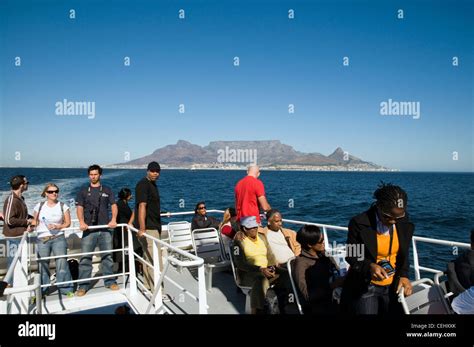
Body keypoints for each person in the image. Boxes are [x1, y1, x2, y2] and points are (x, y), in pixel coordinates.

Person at [340, 182, 414, 314]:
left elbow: (404, 252)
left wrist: (404, 275)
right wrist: (369, 266)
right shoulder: (359, 223)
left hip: (393, 285)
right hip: (366, 286)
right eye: (388, 217)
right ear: (378, 206)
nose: (393, 222)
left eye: (398, 217)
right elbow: (352, 255)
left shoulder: (402, 220)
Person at [75, 165, 118, 296]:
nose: (93, 176)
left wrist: (113, 219)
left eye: (96, 174)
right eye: (91, 174)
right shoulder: (83, 191)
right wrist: (81, 222)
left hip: (105, 229)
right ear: (89, 176)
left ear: (100, 175)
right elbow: (79, 207)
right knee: (85, 258)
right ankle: (83, 286)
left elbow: (114, 205)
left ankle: (110, 281)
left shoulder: (107, 190)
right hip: (89, 229)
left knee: (107, 257)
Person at [232, 216, 287, 314]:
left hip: (266, 269)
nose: (254, 229)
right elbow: (240, 264)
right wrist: (261, 269)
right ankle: (255, 311)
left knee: (287, 274)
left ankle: (284, 303)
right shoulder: (238, 242)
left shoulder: (262, 237)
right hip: (248, 273)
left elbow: (270, 255)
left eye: (255, 227)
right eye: (250, 228)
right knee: (260, 279)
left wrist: (272, 267)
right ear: (244, 228)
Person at [32, 183, 74, 297]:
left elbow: (68, 223)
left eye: (56, 191)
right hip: (42, 239)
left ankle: (66, 288)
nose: (54, 193)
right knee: (43, 265)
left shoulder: (63, 206)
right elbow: (34, 222)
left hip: (58, 238)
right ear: (46, 193)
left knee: (62, 263)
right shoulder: (39, 206)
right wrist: (29, 225)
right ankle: (42, 291)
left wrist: (57, 226)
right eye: (51, 191)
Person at [293, 224, 343, 314]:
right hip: (319, 305)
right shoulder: (301, 264)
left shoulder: (323, 254)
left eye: (323, 239)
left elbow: (336, 269)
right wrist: (332, 286)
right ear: (309, 245)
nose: (324, 243)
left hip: (333, 295)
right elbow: (308, 296)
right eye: (320, 241)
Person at [135, 161, 166, 292]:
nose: (155, 173)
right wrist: (142, 228)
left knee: (148, 258)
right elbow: (142, 206)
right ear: (147, 171)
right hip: (149, 228)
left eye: (157, 171)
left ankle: (148, 286)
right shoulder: (143, 184)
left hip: (152, 226)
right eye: (153, 171)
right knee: (155, 261)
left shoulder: (152, 185)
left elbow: (140, 206)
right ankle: (158, 292)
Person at [2, 175, 33, 280]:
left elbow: (22, 215)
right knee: (14, 262)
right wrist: (27, 222)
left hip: (21, 235)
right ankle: (9, 284)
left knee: (20, 262)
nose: (27, 185)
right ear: (21, 185)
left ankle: (18, 284)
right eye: (26, 183)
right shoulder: (12, 200)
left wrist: (33, 219)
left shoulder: (21, 198)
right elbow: (9, 220)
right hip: (14, 237)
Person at [114, 188, 137, 272]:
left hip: (122, 229)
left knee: (124, 249)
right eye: (130, 194)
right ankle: (126, 269)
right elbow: (129, 215)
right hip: (123, 230)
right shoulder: (121, 204)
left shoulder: (121, 203)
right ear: (126, 196)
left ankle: (123, 268)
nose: (131, 196)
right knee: (126, 249)